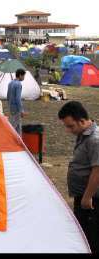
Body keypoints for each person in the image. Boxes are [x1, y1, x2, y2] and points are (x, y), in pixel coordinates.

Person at [58, 101, 99, 253]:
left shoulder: (95, 140)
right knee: (82, 232)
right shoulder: (83, 134)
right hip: (82, 195)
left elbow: (97, 170)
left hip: (92, 199)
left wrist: (87, 197)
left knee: (91, 237)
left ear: (82, 121)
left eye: (70, 126)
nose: (68, 130)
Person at [7, 69, 26, 136]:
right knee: (14, 125)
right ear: (20, 75)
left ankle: (19, 140)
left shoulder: (10, 83)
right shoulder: (18, 84)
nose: (24, 78)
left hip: (10, 106)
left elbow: (8, 96)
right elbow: (18, 98)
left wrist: (9, 105)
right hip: (16, 108)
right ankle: (11, 140)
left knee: (18, 124)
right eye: (23, 76)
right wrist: (21, 110)